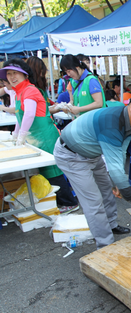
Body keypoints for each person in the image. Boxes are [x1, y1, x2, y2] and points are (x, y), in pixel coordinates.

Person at [53, 85, 131, 249]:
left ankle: (111, 225)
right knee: (94, 202)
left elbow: (120, 152)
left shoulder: (130, 120)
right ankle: (105, 246)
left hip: (93, 153)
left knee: (107, 190)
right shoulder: (112, 123)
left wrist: (117, 182)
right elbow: (115, 167)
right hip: (72, 155)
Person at [0, 59, 79, 213]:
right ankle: (57, 201)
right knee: (45, 171)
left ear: (24, 74)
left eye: (15, 73)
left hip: (45, 136)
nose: (11, 77)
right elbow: (20, 117)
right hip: (35, 138)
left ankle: (69, 202)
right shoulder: (18, 93)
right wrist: (16, 135)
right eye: (9, 74)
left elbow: (29, 114)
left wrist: (22, 135)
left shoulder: (30, 90)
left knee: (52, 171)